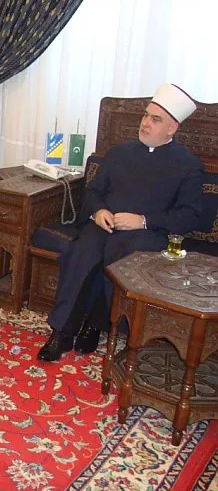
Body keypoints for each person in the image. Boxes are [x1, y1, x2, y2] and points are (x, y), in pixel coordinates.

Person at [37, 83, 204, 362]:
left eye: (155, 119)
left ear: (172, 128)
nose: (145, 123)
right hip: (105, 225)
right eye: (145, 115)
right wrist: (98, 211)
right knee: (83, 251)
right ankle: (62, 331)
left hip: (148, 234)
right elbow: (92, 191)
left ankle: (95, 325)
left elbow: (189, 216)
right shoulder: (119, 153)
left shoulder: (188, 165)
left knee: (120, 255)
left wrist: (143, 220)